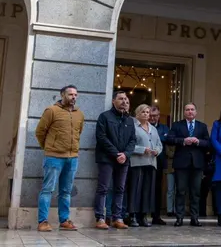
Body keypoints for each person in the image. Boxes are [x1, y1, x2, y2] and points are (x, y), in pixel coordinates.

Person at [35, 85, 85, 232]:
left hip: (72, 157)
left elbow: (78, 132)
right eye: (70, 94)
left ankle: (64, 220)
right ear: (62, 95)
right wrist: (49, 147)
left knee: (66, 191)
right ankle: (42, 222)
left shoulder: (79, 114)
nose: (73, 97)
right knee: (47, 190)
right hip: (53, 157)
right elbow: (40, 132)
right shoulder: (51, 111)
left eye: (76, 95)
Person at [94, 91, 136, 230]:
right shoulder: (104, 116)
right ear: (113, 101)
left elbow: (132, 140)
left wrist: (125, 154)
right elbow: (101, 137)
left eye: (126, 99)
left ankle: (117, 218)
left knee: (120, 189)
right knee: (103, 188)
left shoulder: (130, 120)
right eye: (120, 99)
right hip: (106, 158)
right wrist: (116, 153)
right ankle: (100, 217)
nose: (124, 101)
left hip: (123, 160)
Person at [168, 102, 210, 227]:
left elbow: (208, 143)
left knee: (196, 192)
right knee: (180, 191)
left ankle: (194, 218)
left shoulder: (202, 126)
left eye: (192, 109)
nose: (190, 112)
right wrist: (183, 141)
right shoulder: (177, 125)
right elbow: (169, 139)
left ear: (196, 112)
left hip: (197, 163)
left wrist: (198, 142)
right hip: (181, 163)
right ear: (184, 112)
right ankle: (179, 217)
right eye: (187, 110)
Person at [128, 104, 163, 227]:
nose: (146, 114)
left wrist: (157, 151)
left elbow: (159, 144)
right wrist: (142, 149)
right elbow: (129, 145)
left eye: (148, 112)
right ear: (137, 114)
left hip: (151, 162)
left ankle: (143, 216)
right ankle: (132, 215)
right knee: (135, 189)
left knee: (147, 190)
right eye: (143, 112)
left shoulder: (153, 129)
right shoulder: (133, 127)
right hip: (137, 162)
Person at [149, 106, 171, 225]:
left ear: (159, 116)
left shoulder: (164, 128)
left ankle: (156, 215)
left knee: (158, 190)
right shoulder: (143, 127)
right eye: (151, 115)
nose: (153, 118)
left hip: (159, 162)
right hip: (145, 161)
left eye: (155, 115)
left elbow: (167, 139)